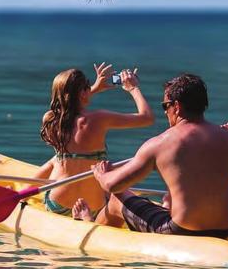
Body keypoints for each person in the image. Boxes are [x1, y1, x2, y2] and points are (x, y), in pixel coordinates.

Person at [87, 73, 228, 238]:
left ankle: (89, 229)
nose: (165, 112)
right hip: (226, 231)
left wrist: (101, 174)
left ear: (177, 106)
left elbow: (115, 185)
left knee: (116, 198)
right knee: (167, 199)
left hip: (180, 232)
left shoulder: (159, 144)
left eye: (165, 106)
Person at [34, 63, 153, 225]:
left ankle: (27, 186)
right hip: (94, 205)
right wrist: (133, 88)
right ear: (83, 93)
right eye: (87, 88)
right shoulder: (100, 118)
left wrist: (93, 88)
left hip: (59, 202)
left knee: (57, 159)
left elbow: (69, 105)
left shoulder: (50, 119)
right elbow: (147, 118)